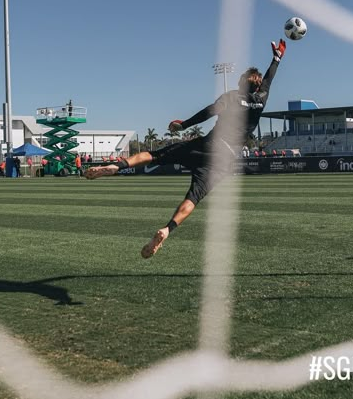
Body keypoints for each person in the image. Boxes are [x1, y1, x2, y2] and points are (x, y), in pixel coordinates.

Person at [85, 39, 286, 258]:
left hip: (209, 144)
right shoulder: (261, 99)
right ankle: (167, 229)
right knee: (194, 198)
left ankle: (117, 166)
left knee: (155, 155)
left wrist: (183, 125)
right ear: (256, 87)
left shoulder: (232, 97)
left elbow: (210, 111)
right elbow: (269, 80)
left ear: (241, 83)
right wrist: (277, 58)